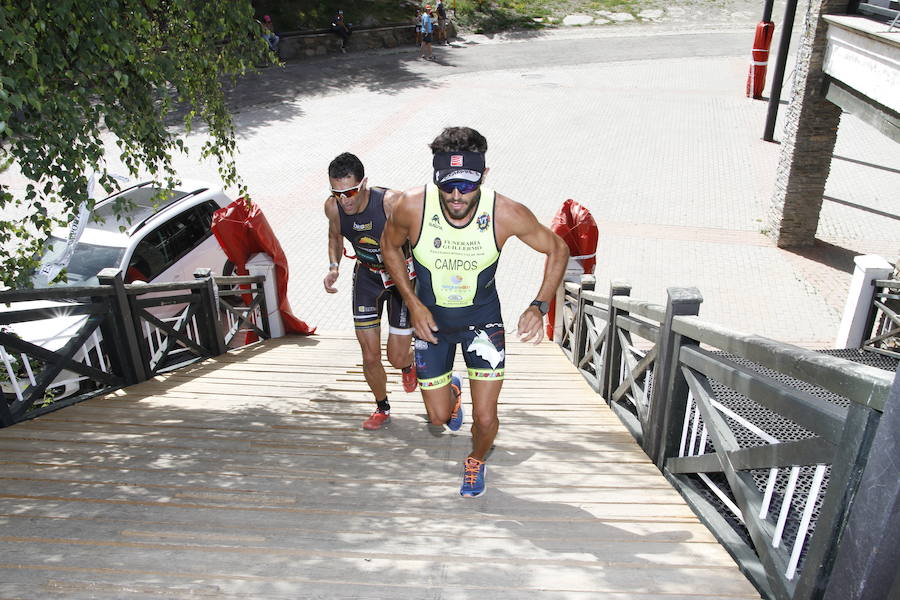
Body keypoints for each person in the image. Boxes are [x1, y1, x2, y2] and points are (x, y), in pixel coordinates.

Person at [381, 127, 568, 497]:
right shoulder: (411, 206)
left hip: (482, 325)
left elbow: (558, 248)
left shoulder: (506, 213)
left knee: (484, 417)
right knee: (437, 418)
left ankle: (476, 460)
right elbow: (389, 248)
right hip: (431, 324)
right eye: (447, 185)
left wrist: (539, 304)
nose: (455, 196)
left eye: (466, 186)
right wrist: (413, 303)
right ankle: (452, 391)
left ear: (483, 175)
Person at [324, 153, 418, 431]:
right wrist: (333, 267)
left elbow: (423, 232)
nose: (345, 200)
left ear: (364, 183)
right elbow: (334, 235)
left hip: (401, 277)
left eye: (350, 191)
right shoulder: (332, 207)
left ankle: (409, 363)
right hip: (367, 276)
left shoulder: (391, 202)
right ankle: (382, 407)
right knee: (369, 356)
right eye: (337, 193)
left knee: (396, 357)